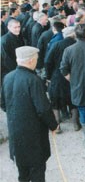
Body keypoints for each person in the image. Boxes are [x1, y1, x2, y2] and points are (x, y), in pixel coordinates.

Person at [1, 46, 59, 182]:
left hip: (16, 133)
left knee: (22, 172)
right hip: (34, 135)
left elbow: (3, 103)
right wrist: (53, 125)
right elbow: (43, 109)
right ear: (31, 61)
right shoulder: (34, 80)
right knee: (37, 172)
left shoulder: (7, 77)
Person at [45, 26, 79, 133]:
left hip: (57, 76)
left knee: (55, 101)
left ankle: (57, 126)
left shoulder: (56, 45)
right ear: (73, 34)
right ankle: (76, 124)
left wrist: (49, 76)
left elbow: (47, 61)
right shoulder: (76, 45)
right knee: (73, 100)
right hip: (73, 76)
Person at [1, 19, 24, 84]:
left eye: (19, 27)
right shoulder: (4, 40)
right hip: (10, 71)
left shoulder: (18, 36)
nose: (18, 29)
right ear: (9, 27)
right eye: (15, 27)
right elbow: (6, 60)